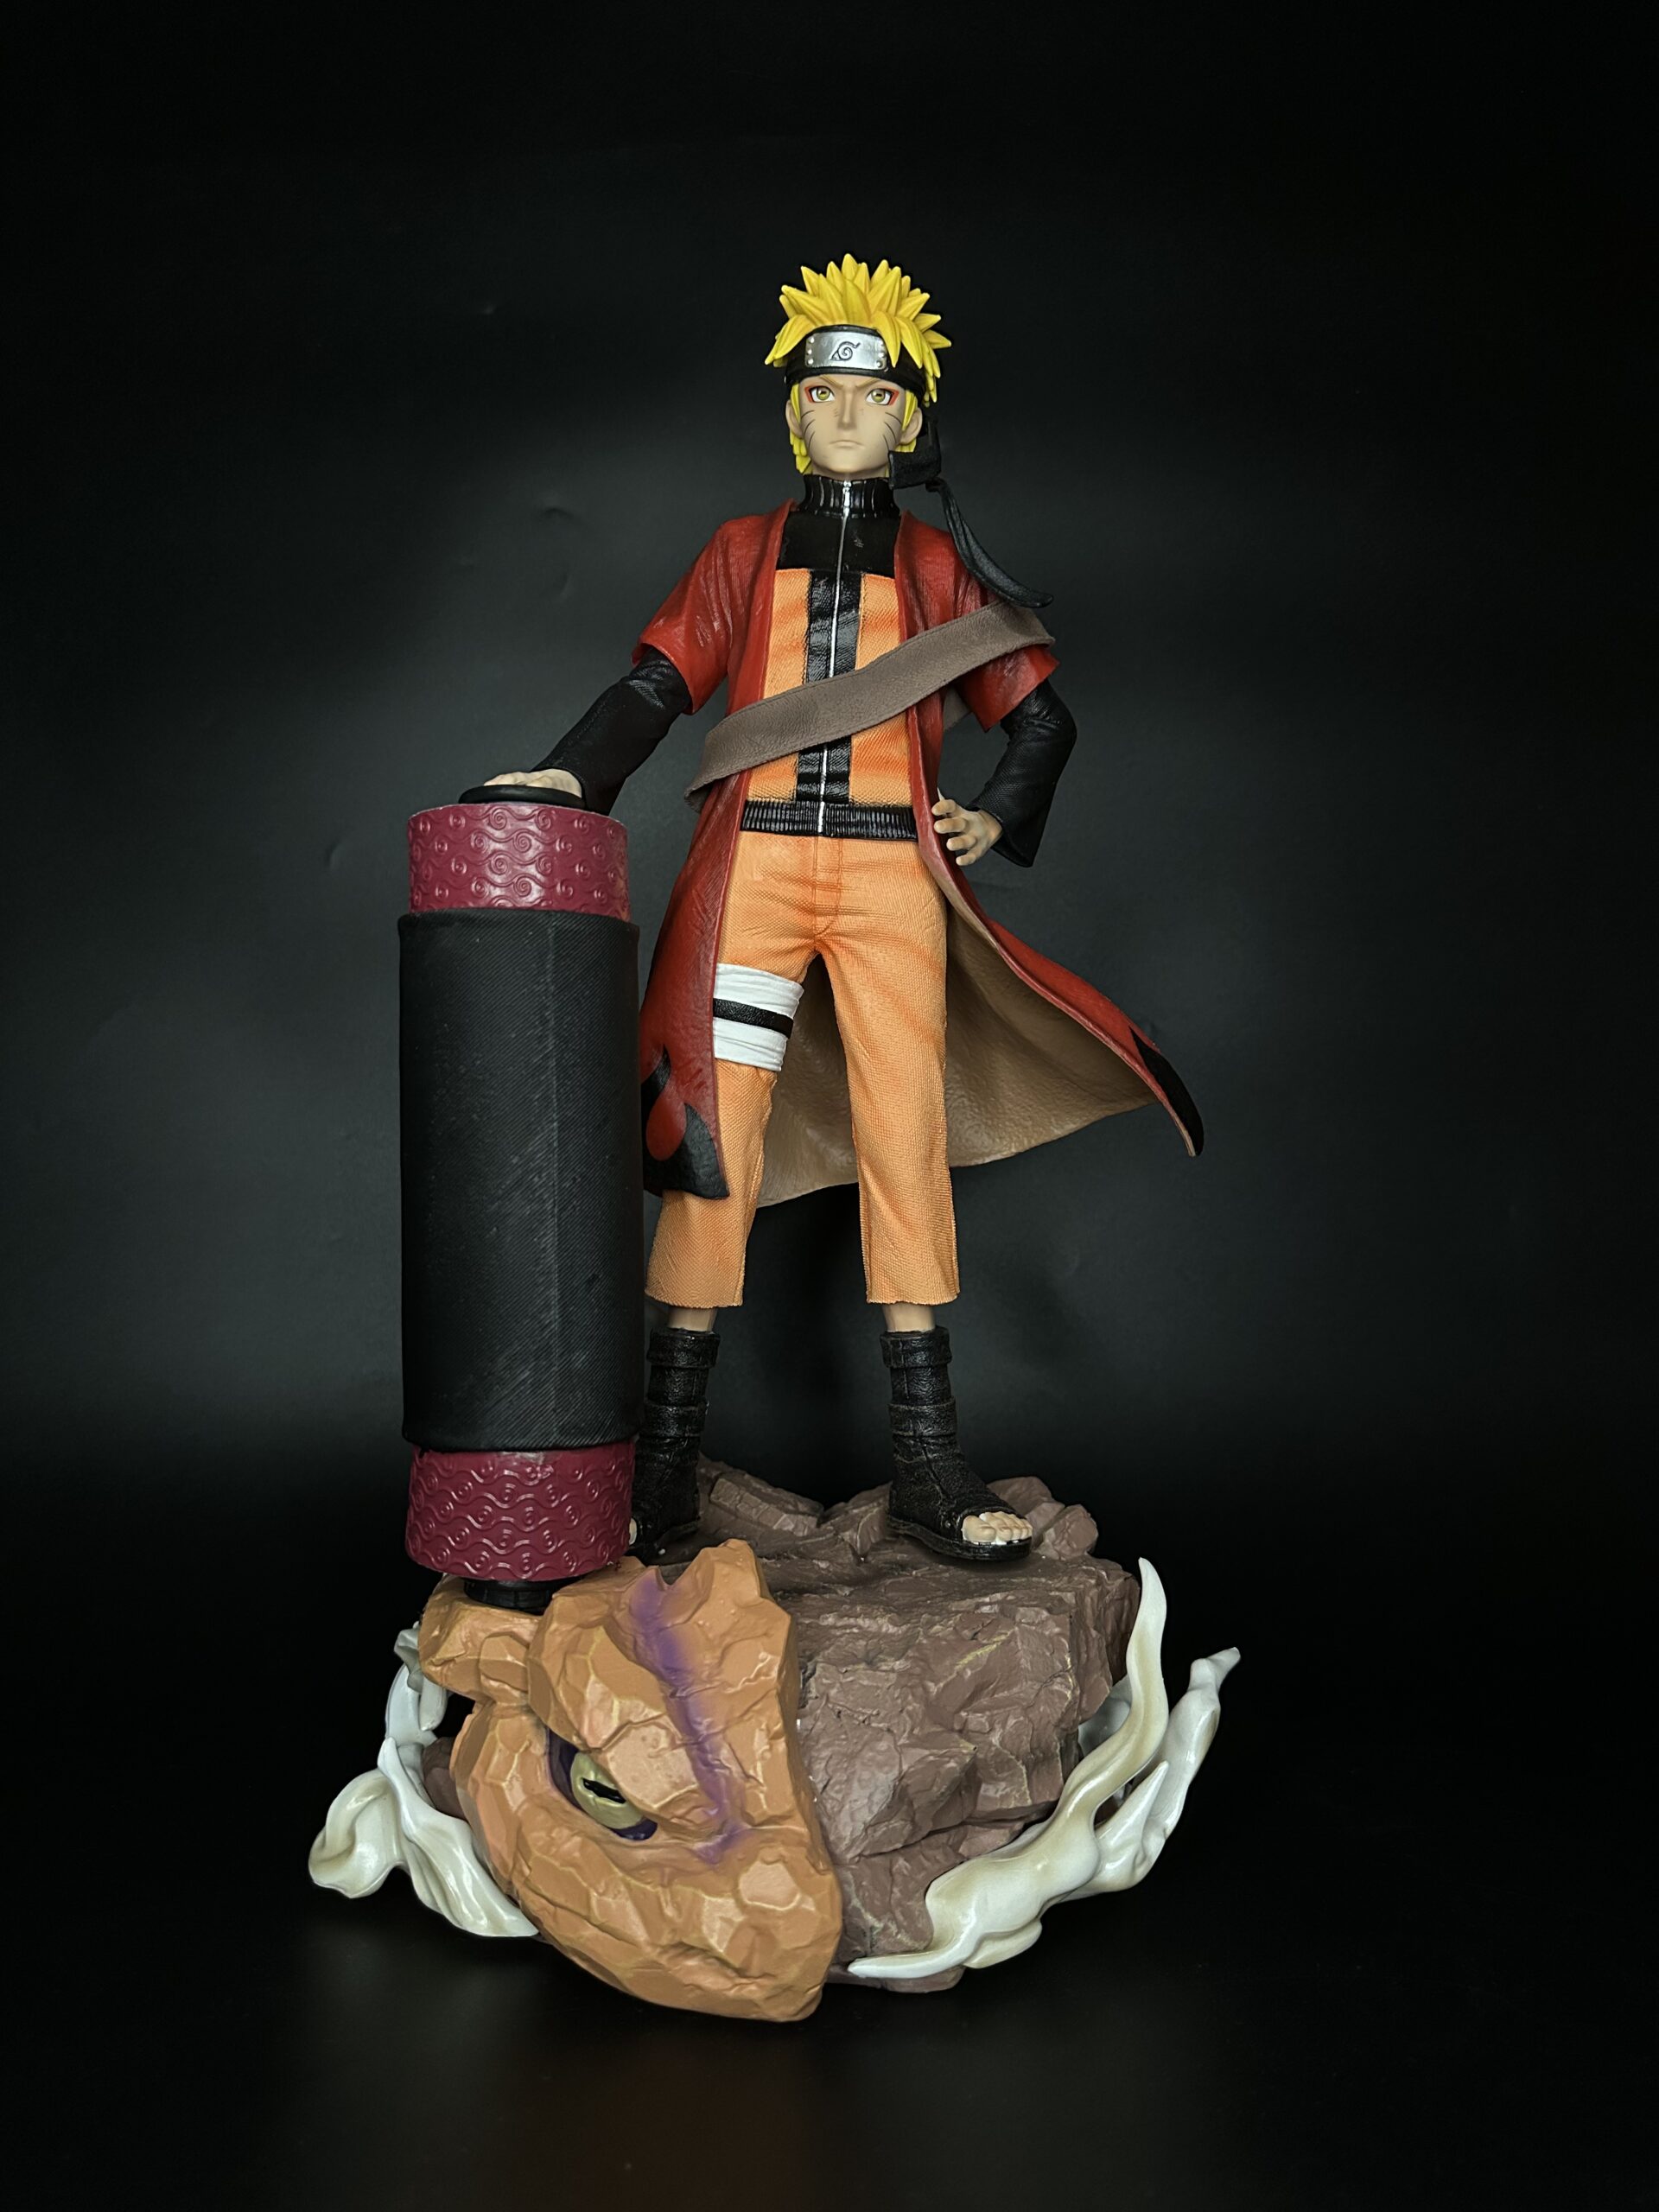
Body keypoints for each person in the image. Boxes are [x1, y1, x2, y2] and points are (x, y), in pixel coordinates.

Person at [486, 256, 1200, 1566]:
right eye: (822, 392)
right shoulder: (740, 550)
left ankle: (927, 1464)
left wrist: (994, 816)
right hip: (753, 874)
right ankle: (664, 1466)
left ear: (908, 418)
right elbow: (657, 685)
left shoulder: (936, 566)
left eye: (870, 395)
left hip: (889, 883)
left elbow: (1041, 718)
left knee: (903, 1140)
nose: (846, 413)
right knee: (709, 1145)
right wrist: (571, 774)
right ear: (794, 413)